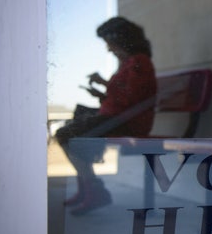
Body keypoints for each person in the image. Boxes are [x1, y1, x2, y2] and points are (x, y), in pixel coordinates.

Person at [55, 17, 157, 215]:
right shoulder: (130, 62)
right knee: (75, 122)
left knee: (67, 134)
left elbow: (131, 99)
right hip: (121, 118)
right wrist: (102, 94)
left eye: (109, 43)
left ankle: (93, 190)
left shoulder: (139, 62)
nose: (109, 49)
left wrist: (104, 83)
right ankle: (87, 190)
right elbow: (124, 98)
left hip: (128, 122)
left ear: (120, 39)